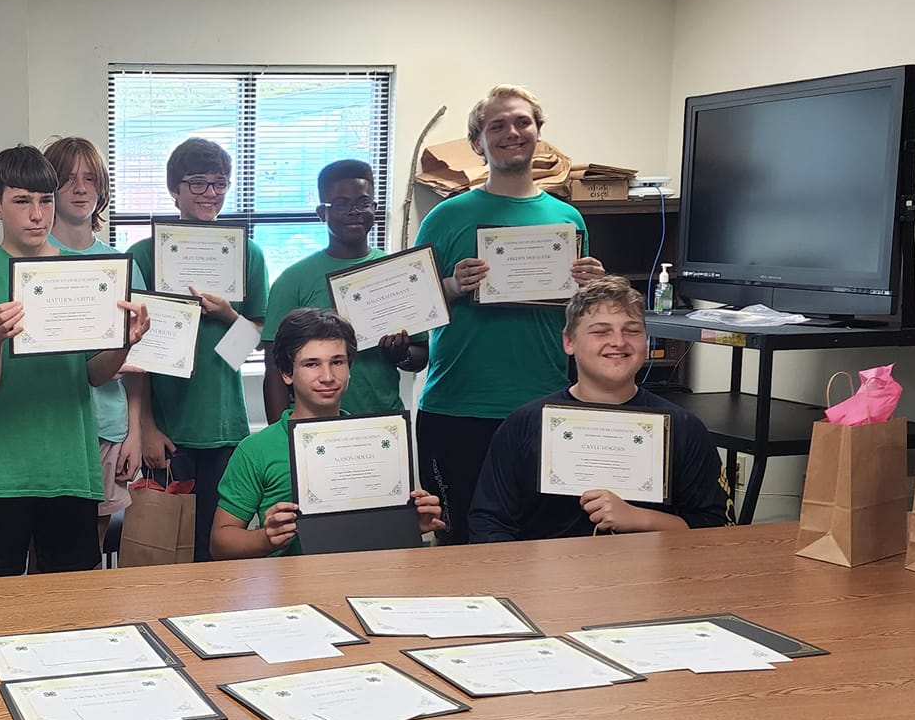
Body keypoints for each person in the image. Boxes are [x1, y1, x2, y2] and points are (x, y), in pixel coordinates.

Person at [414, 85, 605, 545]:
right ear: (478, 143)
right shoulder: (446, 216)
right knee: (460, 541)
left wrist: (593, 287)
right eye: (496, 126)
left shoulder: (568, 220)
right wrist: (454, 286)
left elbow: (580, 318)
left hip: (543, 404)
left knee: (542, 543)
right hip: (457, 407)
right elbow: (411, 306)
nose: (511, 133)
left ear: (539, 132)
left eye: (522, 122)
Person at [0, 144, 148, 578]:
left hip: (71, 463)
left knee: (70, 598)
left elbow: (95, 375)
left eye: (45, 200)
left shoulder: (88, 273)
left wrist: (125, 343)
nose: (37, 214)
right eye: (22, 201)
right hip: (3, 470)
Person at [468, 277, 731, 542]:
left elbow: (717, 529)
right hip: (543, 567)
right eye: (601, 331)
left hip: (652, 566)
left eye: (632, 330)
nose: (618, 341)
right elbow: (488, 522)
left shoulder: (684, 428)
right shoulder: (524, 424)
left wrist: (641, 519)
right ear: (569, 342)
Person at [132, 137, 269, 563]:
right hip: (168, 430)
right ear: (174, 189)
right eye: (197, 183)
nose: (210, 193)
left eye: (219, 183)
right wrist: (146, 427)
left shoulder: (248, 254)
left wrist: (228, 315)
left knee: (219, 549)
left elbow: (255, 341)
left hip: (225, 426)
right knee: (165, 552)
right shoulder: (143, 255)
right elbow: (133, 353)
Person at [213, 309, 443, 560]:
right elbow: (220, 543)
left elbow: (378, 534)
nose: (327, 377)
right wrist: (265, 539)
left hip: (366, 575)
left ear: (350, 367)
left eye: (337, 362)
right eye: (312, 364)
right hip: (290, 580)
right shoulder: (256, 449)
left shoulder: (379, 441)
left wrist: (409, 523)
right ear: (287, 373)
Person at [260, 158, 426, 422]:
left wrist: (400, 354)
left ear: (375, 208)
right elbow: (274, 366)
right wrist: (281, 434)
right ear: (321, 212)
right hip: (313, 425)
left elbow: (420, 357)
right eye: (341, 204)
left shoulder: (397, 273)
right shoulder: (293, 280)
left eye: (363, 203)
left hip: (383, 420)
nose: (354, 212)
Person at [45, 134, 145, 543]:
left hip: (107, 427)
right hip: (48, 427)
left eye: (90, 179)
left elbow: (140, 363)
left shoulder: (122, 265)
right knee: (45, 551)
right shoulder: (30, 262)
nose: (81, 188)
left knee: (91, 551)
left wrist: (135, 432)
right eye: (68, 179)